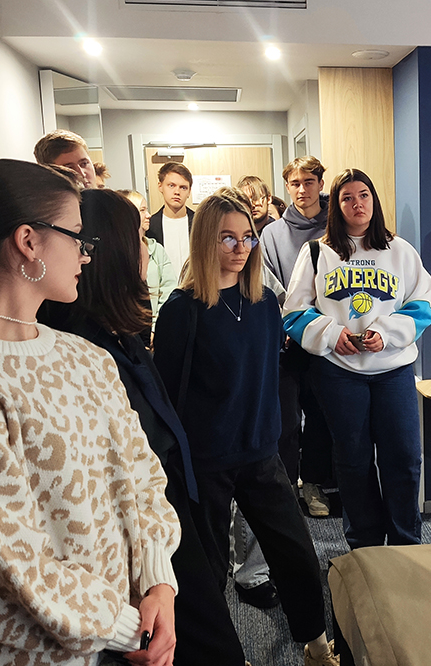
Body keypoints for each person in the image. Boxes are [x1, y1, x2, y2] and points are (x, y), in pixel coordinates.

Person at [0, 159, 180, 666]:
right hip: (29, 653)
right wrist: (126, 629)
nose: (86, 253)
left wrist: (159, 583)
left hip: (119, 630)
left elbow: (140, 474)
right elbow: (3, 560)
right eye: (76, 236)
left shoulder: (84, 357)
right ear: (28, 241)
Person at [39, 188, 247, 666]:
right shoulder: (81, 349)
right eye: (137, 237)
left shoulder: (120, 330)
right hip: (140, 532)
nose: (146, 248)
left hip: (165, 513)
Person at [153, 188, 339, 666]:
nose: (240, 248)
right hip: (206, 463)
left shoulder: (264, 304)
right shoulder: (182, 310)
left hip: (261, 454)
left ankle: (317, 646)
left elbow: (269, 376)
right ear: (205, 241)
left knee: (297, 555)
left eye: (247, 237)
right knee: (208, 573)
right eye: (227, 238)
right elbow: (168, 396)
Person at [283, 168, 431, 549]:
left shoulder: (400, 251)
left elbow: (422, 305)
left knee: (404, 457)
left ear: (374, 200)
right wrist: (331, 334)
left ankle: (405, 543)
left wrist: (387, 332)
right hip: (339, 373)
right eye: (347, 198)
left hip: (393, 371)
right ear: (335, 205)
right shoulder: (317, 252)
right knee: (353, 461)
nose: (357, 204)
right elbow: (294, 312)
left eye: (364, 195)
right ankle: (364, 547)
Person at [260, 156, 335, 518]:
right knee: (286, 421)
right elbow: (268, 287)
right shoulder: (272, 234)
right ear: (287, 187)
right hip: (287, 343)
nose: (302, 190)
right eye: (295, 183)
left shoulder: (336, 228)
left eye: (309, 182)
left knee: (321, 417)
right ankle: (288, 486)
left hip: (326, 340)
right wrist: (288, 327)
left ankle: (315, 484)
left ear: (321, 183)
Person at [120, 188, 177, 334]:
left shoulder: (156, 250)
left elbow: (168, 291)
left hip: (155, 329)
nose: (149, 215)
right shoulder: (116, 253)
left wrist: (155, 328)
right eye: (142, 210)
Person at [146, 162, 194, 274]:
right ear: (160, 186)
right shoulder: (150, 226)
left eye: (183, 187)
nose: (177, 192)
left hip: (196, 284)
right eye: (171, 185)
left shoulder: (201, 222)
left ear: (189, 192)